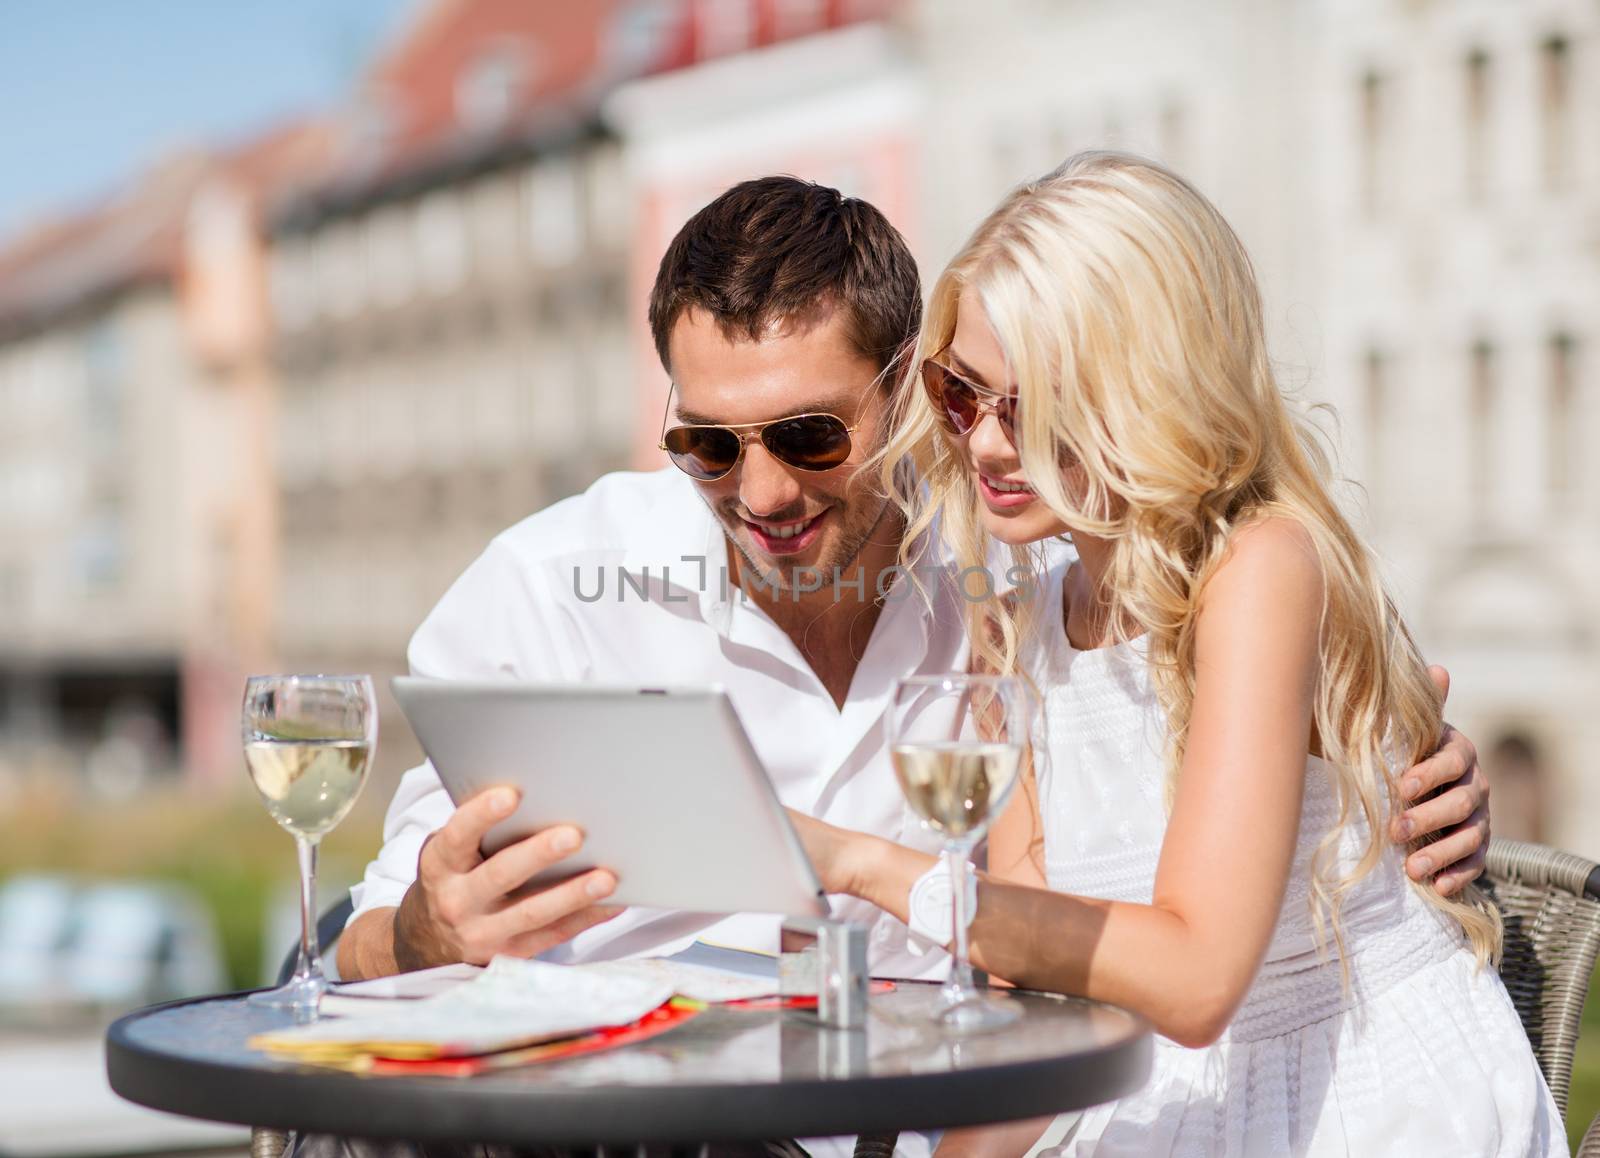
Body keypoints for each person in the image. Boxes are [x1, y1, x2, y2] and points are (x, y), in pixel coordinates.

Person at [329, 176, 1491, 1156]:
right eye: (705, 446)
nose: (763, 491)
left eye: (809, 436)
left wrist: (1401, 771)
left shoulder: (1002, 589)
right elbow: (359, 952)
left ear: (895, 394)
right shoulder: (552, 590)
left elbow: (1169, 850)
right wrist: (434, 929)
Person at [793, 152, 1560, 1156]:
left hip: (1345, 1097)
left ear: (1147, 394)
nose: (981, 444)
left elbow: (1196, 983)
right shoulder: (1018, 625)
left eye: (1029, 407)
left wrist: (855, 864)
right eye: (960, 392)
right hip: (1145, 1090)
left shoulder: (1259, 569)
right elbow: (1043, 994)